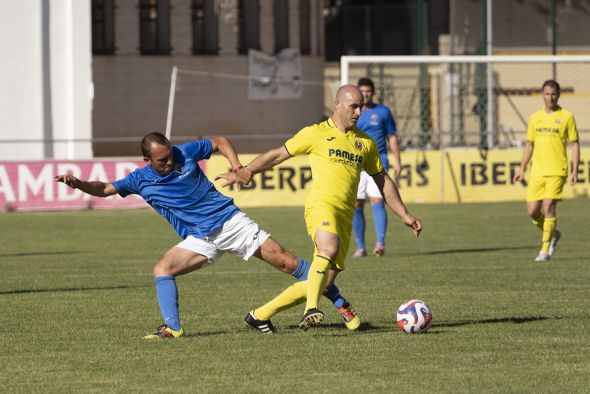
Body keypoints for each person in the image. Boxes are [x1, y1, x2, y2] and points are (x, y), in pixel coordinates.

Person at [55, 132, 359, 338]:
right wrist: (78, 183)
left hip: (229, 223)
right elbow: (105, 189)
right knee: (162, 269)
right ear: (147, 160)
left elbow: (219, 141)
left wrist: (238, 167)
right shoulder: (139, 179)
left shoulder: (184, 153)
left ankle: (341, 303)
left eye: (170, 156)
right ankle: (172, 329)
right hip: (200, 238)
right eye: (162, 160)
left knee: (289, 264)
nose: (170, 162)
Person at [217, 85, 422, 331]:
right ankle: (311, 309)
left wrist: (404, 214)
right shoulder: (315, 134)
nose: (358, 112)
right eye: (353, 106)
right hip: (321, 206)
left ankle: (259, 315)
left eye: (361, 107)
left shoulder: (365, 144)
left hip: (345, 217)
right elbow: (278, 155)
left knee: (323, 282)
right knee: (328, 247)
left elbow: (382, 180)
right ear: (337, 104)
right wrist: (247, 170)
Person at [513, 79, 579, 262]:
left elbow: (574, 145)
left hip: (558, 170)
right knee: (533, 211)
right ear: (542, 95)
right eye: (547, 94)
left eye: (554, 94)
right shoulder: (535, 118)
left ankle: (544, 250)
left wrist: (575, 171)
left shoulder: (567, 117)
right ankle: (553, 234)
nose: (551, 97)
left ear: (559, 95)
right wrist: (522, 168)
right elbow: (529, 145)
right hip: (537, 171)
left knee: (549, 206)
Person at [353, 77, 402, 258]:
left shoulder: (383, 112)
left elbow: (392, 136)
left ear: (372, 93)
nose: (365, 94)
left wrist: (398, 160)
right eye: (362, 91)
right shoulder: (352, 113)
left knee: (377, 201)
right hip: (356, 164)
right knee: (357, 204)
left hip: (378, 162)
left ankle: (380, 244)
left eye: (368, 91)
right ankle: (360, 246)